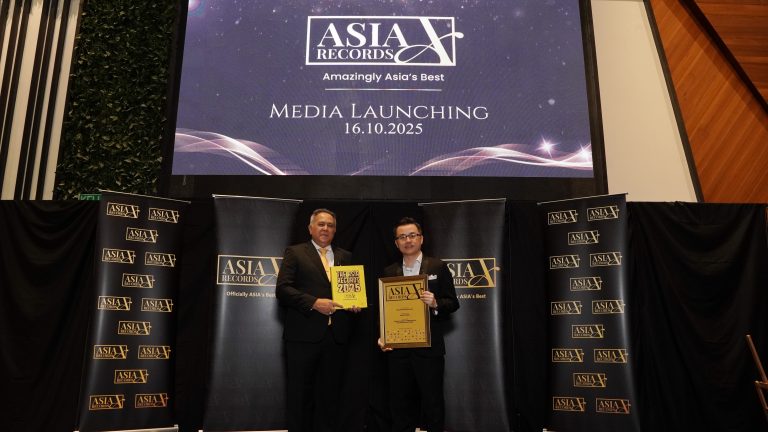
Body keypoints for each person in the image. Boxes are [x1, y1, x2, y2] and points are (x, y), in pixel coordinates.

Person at [276, 208, 360, 432]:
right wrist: (314, 302)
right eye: (321, 224)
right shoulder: (295, 252)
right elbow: (283, 289)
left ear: (335, 230)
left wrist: (353, 303)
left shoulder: (345, 256)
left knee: (330, 397)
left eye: (330, 225)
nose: (325, 229)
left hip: (336, 338)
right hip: (303, 337)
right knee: (299, 395)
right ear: (310, 228)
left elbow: (350, 292)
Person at [380, 217, 459, 432]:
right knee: (399, 403)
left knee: (433, 402)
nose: (408, 240)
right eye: (402, 237)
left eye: (412, 235)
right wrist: (383, 335)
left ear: (421, 239)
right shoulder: (389, 272)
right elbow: (384, 309)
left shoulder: (438, 266)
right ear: (396, 243)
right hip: (398, 349)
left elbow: (453, 303)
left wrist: (435, 303)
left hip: (429, 348)